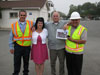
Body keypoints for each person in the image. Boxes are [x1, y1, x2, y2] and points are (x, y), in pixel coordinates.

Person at [9, 10, 33, 75]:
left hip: (27, 47)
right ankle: (16, 73)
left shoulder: (31, 23)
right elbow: (11, 36)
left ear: (26, 16)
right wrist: (11, 47)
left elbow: (40, 23)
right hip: (17, 46)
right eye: (21, 15)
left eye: (24, 15)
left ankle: (25, 73)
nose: (22, 16)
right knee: (16, 62)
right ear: (19, 16)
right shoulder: (14, 25)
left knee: (26, 62)